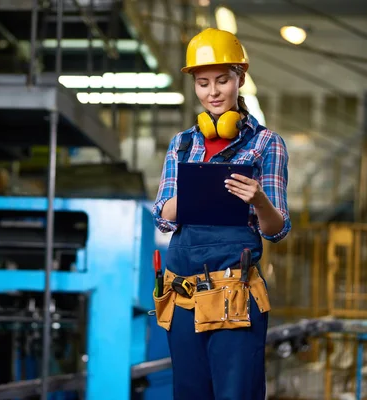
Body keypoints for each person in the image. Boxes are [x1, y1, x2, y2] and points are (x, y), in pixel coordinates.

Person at [151, 28, 291, 400]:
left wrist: (258, 200)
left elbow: (278, 229)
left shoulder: (266, 144)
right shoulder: (181, 143)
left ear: (240, 79)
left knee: (236, 393)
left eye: (222, 80)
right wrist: (198, 192)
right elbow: (163, 217)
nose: (212, 92)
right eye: (202, 83)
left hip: (236, 296)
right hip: (181, 295)